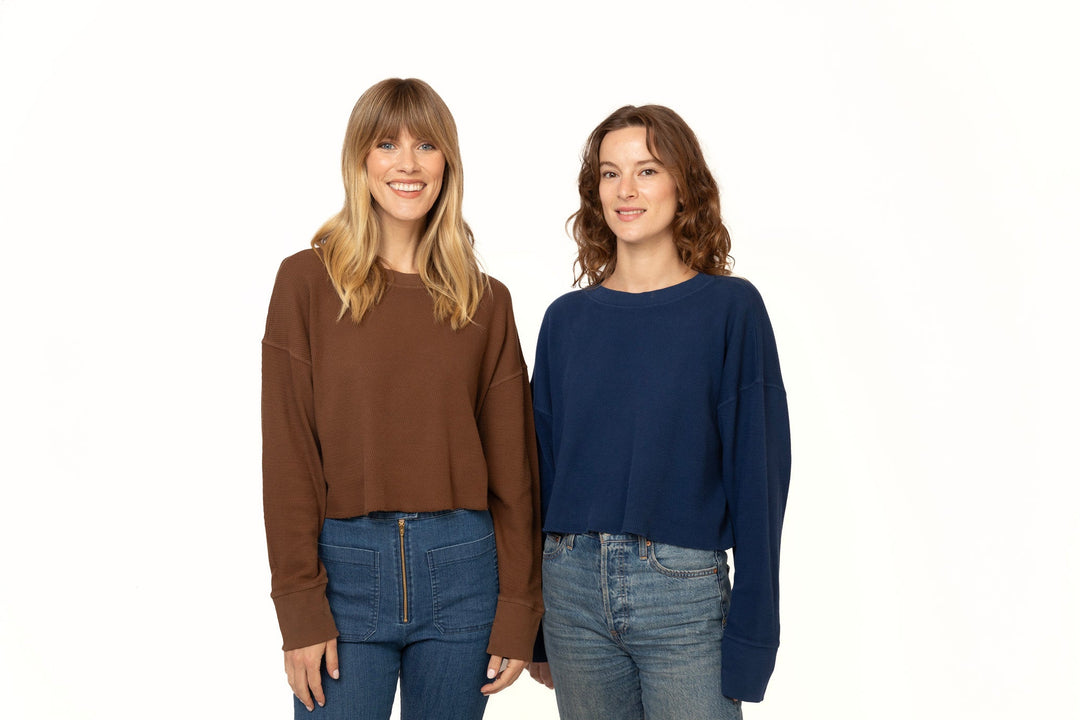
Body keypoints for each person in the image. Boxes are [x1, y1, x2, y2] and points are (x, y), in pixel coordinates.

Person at [261, 78, 543, 720]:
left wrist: (520, 608)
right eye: (387, 143)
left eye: (426, 145)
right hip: (344, 573)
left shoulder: (485, 301)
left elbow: (515, 474)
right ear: (360, 159)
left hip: (463, 570)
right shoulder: (306, 282)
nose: (408, 163)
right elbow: (288, 455)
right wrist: (299, 606)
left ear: (449, 163)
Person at [527, 105, 791, 719]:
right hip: (571, 592)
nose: (626, 190)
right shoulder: (565, 321)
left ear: (683, 184)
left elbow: (759, 478)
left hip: (681, 590)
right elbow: (538, 473)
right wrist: (534, 622)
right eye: (609, 173)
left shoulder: (730, 310)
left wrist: (754, 632)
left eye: (647, 170)